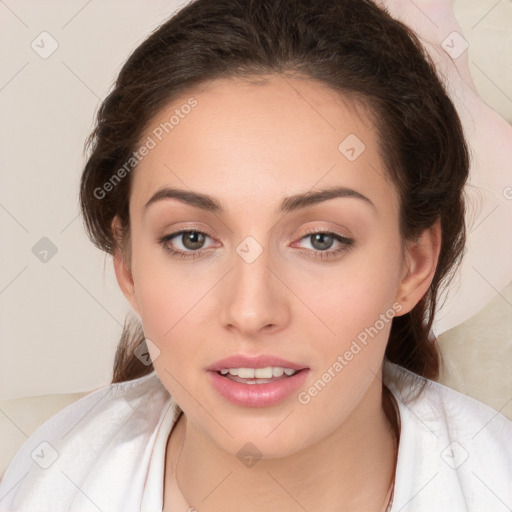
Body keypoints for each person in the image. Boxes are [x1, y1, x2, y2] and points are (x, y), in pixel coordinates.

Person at [1, 0, 511, 511]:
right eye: (191, 239)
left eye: (321, 240)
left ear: (412, 265)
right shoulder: (44, 486)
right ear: (128, 265)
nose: (251, 311)